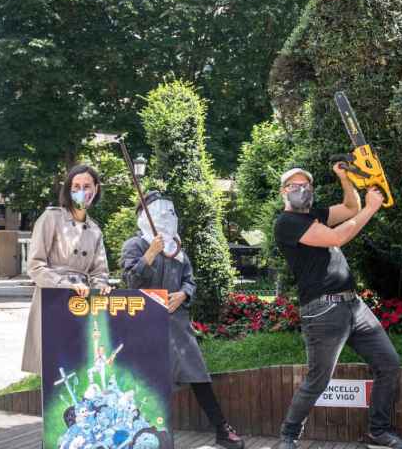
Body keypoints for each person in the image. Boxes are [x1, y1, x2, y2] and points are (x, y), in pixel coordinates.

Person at [274, 165, 402, 449]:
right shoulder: (286, 223)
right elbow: (337, 237)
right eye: (294, 185)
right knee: (318, 379)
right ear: (283, 192)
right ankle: (288, 435)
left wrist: (344, 178)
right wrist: (372, 209)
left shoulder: (315, 214)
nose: (302, 189)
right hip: (323, 311)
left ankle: (379, 431)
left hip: (354, 306)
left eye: (306, 185)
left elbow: (351, 207)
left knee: (389, 364)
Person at [122, 191, 244, 449]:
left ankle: (222, 429)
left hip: (178, 325)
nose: (167, 216)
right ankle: (138, 435)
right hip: (146, 328)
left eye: (170, 212)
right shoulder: (136, 244)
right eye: (159, 211)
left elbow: (189, 280)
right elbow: (130, 281)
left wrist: (184, 293)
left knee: (198, 375)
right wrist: (150, 255)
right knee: (146, 382)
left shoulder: (177, 248)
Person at [21, 164, 112, 374]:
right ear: (68, 189)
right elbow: (35, 265)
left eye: (87, 186)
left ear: (96, 189)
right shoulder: (51, 218)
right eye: (76, 185)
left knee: (79, 367)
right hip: (52, 298)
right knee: (53, 369)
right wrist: (65, 285)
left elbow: (100, 271)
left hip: (82, 303)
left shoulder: (96, 230)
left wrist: (100, 287)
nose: (81, 191)